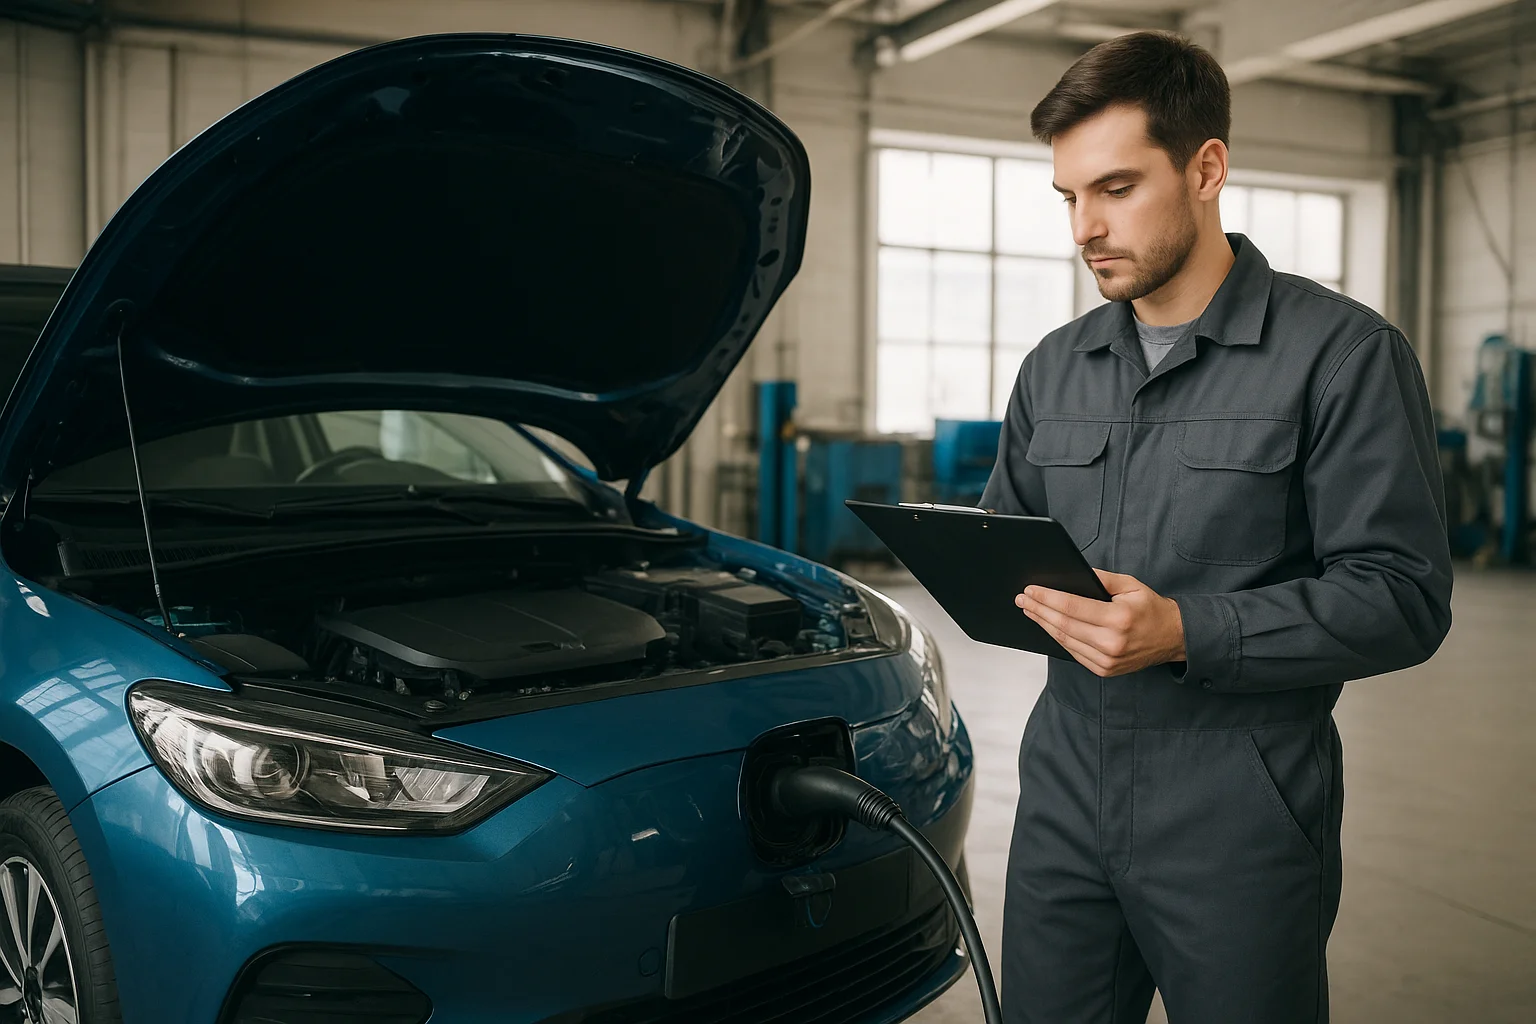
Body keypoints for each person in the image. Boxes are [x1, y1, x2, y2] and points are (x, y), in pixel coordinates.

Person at [981, 30, 1454, 1024]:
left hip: (1239, 814)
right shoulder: (1055, 367)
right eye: (1069, 197)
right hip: (1064, 795)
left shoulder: (1342, 355)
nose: (1085, 227)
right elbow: (1002, 545)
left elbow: (1403, 595)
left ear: (1207, 169)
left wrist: (1187, 631)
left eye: (1114, 188)